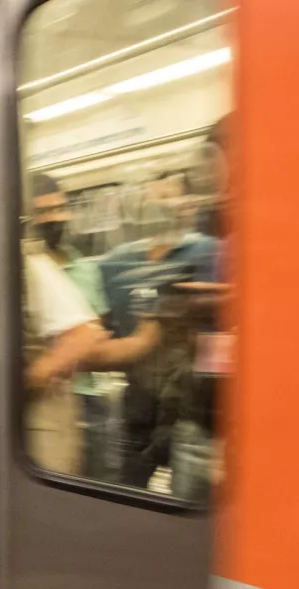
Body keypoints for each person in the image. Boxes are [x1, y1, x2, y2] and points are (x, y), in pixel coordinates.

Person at [90, 170, 219, 492]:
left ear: (189, 206)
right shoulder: (116, 264)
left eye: (172, 197)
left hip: (188, 404)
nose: (165, 207)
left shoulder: (209, 254)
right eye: (156, 199)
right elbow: (101, 323)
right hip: (138, 398)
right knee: (123, 489)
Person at [29, 173, 113, 478]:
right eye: (43, 212)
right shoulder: (26, 266)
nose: (53, 219)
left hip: (88, 396)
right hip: (44, 406)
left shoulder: (87, 268)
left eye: (59, 209)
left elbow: (96, 335)